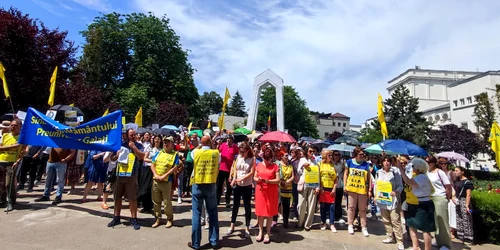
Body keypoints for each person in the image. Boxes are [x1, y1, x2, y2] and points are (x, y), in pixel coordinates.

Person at [107, 129, 145, 230]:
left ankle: (134, 219)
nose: (133, 136)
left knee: (132, 198)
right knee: (117, 197)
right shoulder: (120, 144)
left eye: (134, 134)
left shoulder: (139, 145)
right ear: (126, 135)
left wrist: (134, 147)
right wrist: (116, 155)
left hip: (131, 176)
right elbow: (112, 158)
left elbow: (142, 157)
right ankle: (116, 217)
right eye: (131, 135)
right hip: (120, 175)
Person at [188, 135, 220, 250]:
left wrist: (200, 145)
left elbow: (193, 154)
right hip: (210, 183)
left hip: (198, 183)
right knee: (212, 213)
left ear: (201, 143)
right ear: (211, 143)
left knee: (196, 213)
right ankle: (214, 241)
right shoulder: (216, 153)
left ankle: (196, 243)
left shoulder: (195, 152)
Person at [398, 158, 436, 250]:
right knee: (411, 224)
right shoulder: (417, 176)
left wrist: (401, 169)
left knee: (425, 228)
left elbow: (408, 181)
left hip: (424, 203)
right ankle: (416, 246)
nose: (412, 168)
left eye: (413, 166)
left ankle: (427, 248)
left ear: (418, 167)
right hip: (416, 202)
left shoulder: (422, 177)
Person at [374, 156, 404, 250]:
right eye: (384, 161)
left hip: (393, 200)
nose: (386, 162)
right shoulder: (379, 172)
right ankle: (390, 236)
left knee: (395, 220)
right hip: (382, 199)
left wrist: (396, 192)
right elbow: (376, 185)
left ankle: (400, 241)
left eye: (388, 161)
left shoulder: (395, 172)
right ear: (382, 162)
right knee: (386, 220)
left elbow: (400, 186)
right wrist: (375, 195)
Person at [227, 142, 255, 238]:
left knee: (247, 206)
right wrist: (234, 179)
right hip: (237, 184)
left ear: (247, 151)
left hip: (246, 184)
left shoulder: (252, 159)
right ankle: (232, 225)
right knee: (235, 205)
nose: (241, 153)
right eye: (240, 151)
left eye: (243, 151)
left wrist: (242, 178)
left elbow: (252, 172)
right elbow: (235, 169)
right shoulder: (238, 157)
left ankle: (247, 227)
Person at [150, 136, 179, 228]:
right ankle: (158, 218)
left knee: (167, 202)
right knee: (156, 201)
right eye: (165, 142)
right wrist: (155, 174)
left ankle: (169, 218)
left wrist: (164, 176)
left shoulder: (175, 154)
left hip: (166, 181)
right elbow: (152, 164)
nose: (166, 144)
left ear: (172, 144)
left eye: (168, 142)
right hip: (156, 180)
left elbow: (175, 167)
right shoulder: (159, 153)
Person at [254, 148, 280, 244]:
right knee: (260, 212)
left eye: (268, 159)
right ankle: (260, 231)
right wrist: (258, 179)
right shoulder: (259, 165)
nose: (267, 161)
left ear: (271, 158)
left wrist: (267, 181)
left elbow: (278, 180)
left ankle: (268, 232)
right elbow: (255, 176)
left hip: (271, 191)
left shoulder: (275, 166)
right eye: (265, 159)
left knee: (269, 212)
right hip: (260, 191)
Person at [426, 156, 452, 250]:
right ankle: (439, 240)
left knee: (442, 222)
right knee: (435, 221)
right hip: (430, 197)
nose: (427, 164)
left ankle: (446, 244)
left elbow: (448, 186)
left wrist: (447, 198)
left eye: (429, 162)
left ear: (433, 163)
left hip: (439, 197)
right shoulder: (426, 172)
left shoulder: (439, 172)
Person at [344, 147, 371, 237]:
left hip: (362, 189)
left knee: (362, 209)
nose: (362, 156)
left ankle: (363, 227)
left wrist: (369, 189)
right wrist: (345, 185)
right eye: (360, 154)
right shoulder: (349, 162)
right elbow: (346, 174)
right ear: (356, 154)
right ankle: (350, 224)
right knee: (351, 207)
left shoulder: (366, 164)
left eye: (363, 154)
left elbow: (369, 178)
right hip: (352, 189)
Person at [0, 119, 23, 212]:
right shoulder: (5, 136)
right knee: (0, 183)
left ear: (20, 127)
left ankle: (11, 202)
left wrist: (17, 161)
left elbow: (23, 152)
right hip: (1, 161)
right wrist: (12, 146)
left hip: (12, 162)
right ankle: (2, 200)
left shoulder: (22, 138)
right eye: (12, 125)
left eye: (15, 125)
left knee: (9, 183)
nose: (13, 127)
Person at [296, 146, 320, 231]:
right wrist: (303, 166)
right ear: (306, 152)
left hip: (313, 185)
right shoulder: (302, 160)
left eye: (313, 151)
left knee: (311, 205)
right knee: (301, 204)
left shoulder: (316, 162)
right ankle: (300, 222)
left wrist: (318, 187)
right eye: (310, 151)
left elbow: (317, 176)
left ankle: (308, 224)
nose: (312, 153)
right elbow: (298, 171)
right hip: (303, 184)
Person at [318, 149, 338, 233]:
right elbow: (318, 177)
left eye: (331, 155)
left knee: (332, 207)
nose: (331, 157)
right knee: (323, 207)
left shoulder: (333, 165)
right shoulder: (320, 165)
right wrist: (321, 187)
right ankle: (323, 222)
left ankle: (332, 223)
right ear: (325, 156)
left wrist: (334, 188)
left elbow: (336, 179)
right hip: (323, 188)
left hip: (331, 188)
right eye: (329, 155)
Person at [453, 166, 474, 243]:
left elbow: (468, 195)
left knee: (466, 219)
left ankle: (469, 238)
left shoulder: (467, 182)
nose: (455, 172)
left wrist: (467, 205)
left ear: (462, 172)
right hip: (458, 201)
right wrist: (453, 197)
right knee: (459, 218)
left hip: (464, 201)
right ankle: (461, 235)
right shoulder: (457, 181)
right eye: (455, 171)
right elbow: (455, 191)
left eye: (457, 171)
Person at [217, 135, 238, 207]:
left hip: (230, 169)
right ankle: (217, 200)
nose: (228, 140)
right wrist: (218, 145)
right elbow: (218, 152)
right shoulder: (223, 145)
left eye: (229, 139)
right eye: (227, 139)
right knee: (219, 185)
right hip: (222, 168)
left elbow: (236, 156)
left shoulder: (235, 147)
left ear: (232, 140)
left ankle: (227, 201)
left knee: (229, 187)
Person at [278, 151, 294, 228]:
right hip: (279, 187)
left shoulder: (290, 166)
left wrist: (287, 181)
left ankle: (286, 221)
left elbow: (293, 176)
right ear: (281, 156)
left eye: (288, 155)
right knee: (278, 204)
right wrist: (282, 182)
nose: (287, 157)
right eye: (285, 155)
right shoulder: (278, 165)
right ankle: (274, 220)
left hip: (288, 187)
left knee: (286, 205)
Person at [332, 150, 346, 223]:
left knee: (338, 202)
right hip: (332, 185)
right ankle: (331, 216)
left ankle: (338, 216)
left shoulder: (342, 164)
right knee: (332, 202)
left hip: (340, 184)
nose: (337, 156)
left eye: (338, 155)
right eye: (335, 155)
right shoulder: (331, 163)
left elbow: (344, 174)